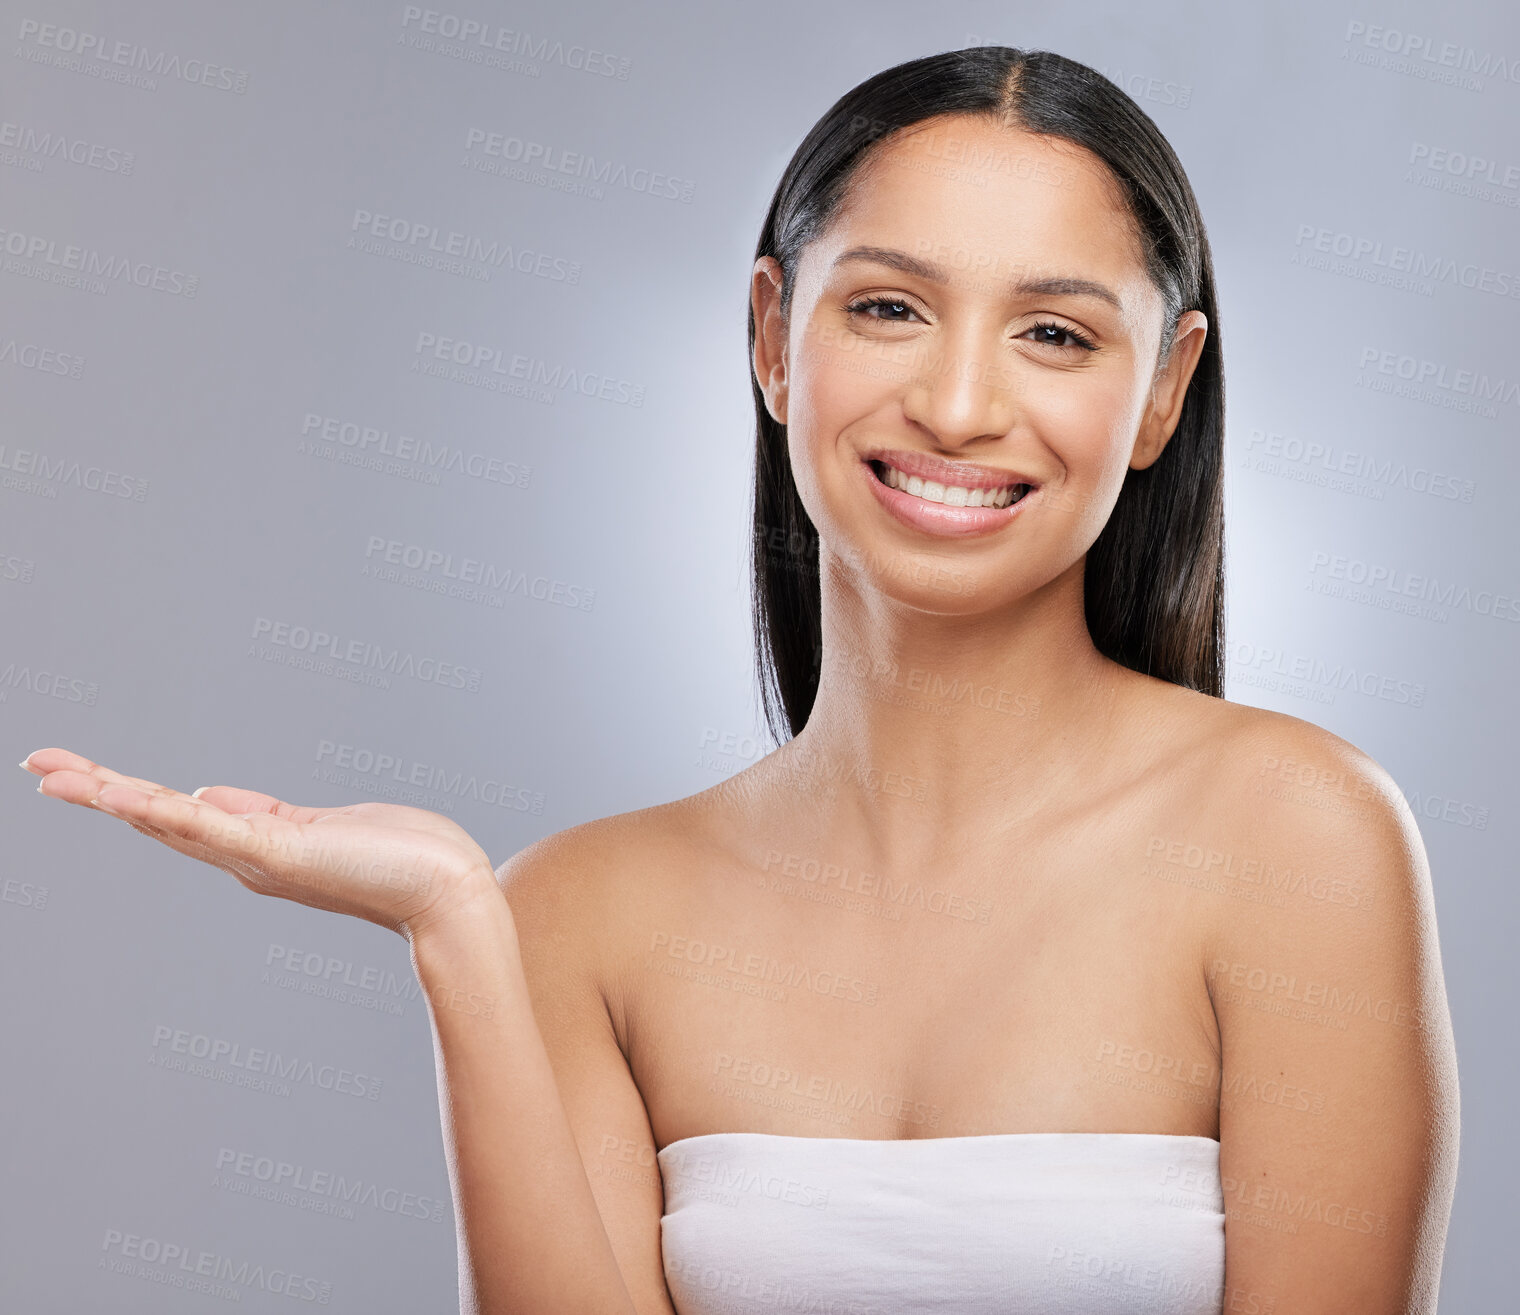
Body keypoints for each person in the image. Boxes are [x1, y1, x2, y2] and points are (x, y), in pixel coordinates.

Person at [24, 45, 1458, 1315]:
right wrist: (456, 929)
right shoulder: (575, 912)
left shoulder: (1299, 841)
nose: (960, 405)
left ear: (1163, 390)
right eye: (889, 309)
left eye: (1056, 334)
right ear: (774, 337)